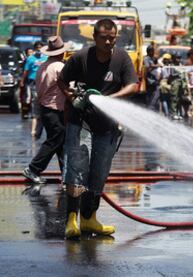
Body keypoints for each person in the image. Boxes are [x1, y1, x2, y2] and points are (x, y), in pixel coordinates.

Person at [57, 19, 139, 239]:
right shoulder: (81, 57)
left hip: (107, 127)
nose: (109, 41)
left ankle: (89, 219)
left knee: (99, 174)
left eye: (113, 37)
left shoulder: (122, 58)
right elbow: (62, 79)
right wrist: (70, 97)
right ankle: (72, 220)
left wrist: (111, 98)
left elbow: (133, 84)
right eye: (104, 37)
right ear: (94, 37)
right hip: (80, 122)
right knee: (76, 170)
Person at [22, 36, 71, 185]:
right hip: (55, 108)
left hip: (45, 108)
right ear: (61, 53)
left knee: (60, 142)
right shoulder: (60, 67)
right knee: (55, 140)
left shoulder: (42, 66)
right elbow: (69, 87)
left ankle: (66, 175)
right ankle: (33, 169)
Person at [20, 41, 48, 139]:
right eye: (37, 48)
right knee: (35, 99)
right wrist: (22, 80)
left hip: (44, 82)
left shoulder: (46, 58)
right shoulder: (30, 59)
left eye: (40, 47)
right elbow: (26, 71)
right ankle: (36, 114)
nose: (39, 49)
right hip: (33, 82)